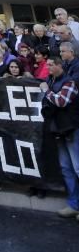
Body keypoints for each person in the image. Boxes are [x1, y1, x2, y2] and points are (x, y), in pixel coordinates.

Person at [39, 56, 79, 219]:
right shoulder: (50, 81)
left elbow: (61, 101)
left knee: (77, 168)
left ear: (59, 66)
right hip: (59, 130)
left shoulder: (70, 82)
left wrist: (46, 91)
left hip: (72, 129)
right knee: (66, 168)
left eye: (50, 65)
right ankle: (74, 204)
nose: (47, 67)